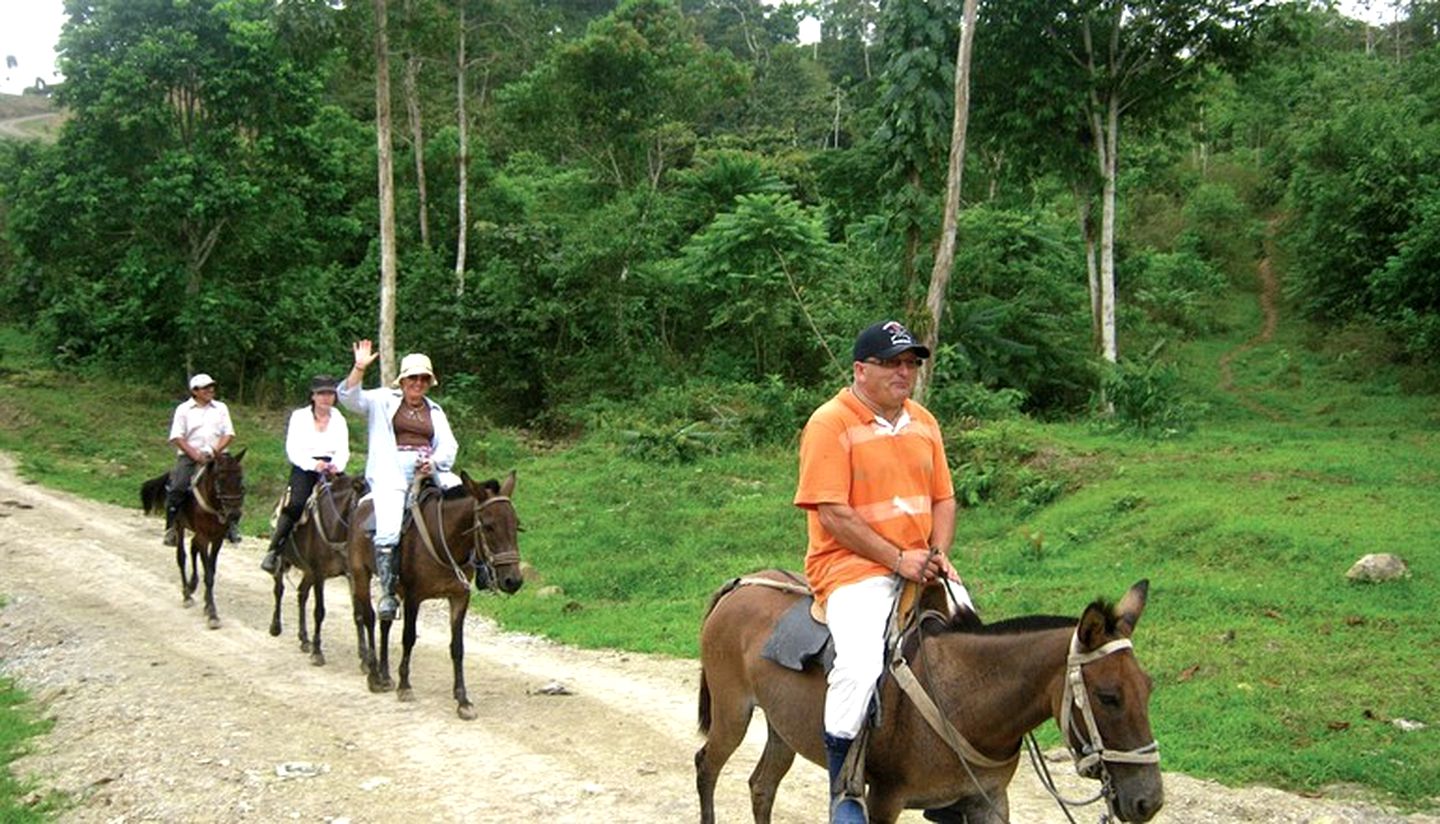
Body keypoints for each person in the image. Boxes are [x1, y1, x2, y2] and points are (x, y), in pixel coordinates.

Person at [793, 320, 962, 824]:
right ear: (860, 369)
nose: (903, 372)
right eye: (892, 362)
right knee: (861, 665)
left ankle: (951, 784)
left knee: (974, 651)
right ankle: (845, 785)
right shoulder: (830, 423)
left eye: (910, 363)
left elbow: (944, 498)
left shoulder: (924, 421)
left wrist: (937, 552)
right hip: (850, 568)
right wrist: (896, 559)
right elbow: (833, 514)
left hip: (920, 562)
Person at [337, 340, 459, 621]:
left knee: (466, 501)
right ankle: (389, 593)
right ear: (403, 381)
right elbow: (349, 398)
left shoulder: (435, 411)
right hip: (392, 468)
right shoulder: (383, 400)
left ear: (429, 382)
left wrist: (435, 461)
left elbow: (449, 445)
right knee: (389, 525)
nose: (418, 383)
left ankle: (475, 569)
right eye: (413, 378)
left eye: (423, 379)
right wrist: (359, 368)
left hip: (429, 467)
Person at [259, 375, 351, 573]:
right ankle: (275, 549)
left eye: (330, 394)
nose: (326, 398)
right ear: (313, 396)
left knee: (350, 500)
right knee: (297, 503)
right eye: (322, 394)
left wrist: (337, 465)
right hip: (305, 467)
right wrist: (313, 465)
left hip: (332, 468)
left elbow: (344, 449)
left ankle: (351, 551)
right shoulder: (299, 417)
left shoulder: (339, 419)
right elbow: (293, 449)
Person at [165, 373, 240, 546]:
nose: (211, 390)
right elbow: (177, 436)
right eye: (206, 388)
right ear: (195, 391)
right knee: (178, 486)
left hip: (218, 454)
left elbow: (228, 434)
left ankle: (232, 526)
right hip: (190, 455)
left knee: (233, 484)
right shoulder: (183, 410)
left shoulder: (221, 408)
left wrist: (215, 451)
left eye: (211, 387)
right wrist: (194, 454)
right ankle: (172, 527)